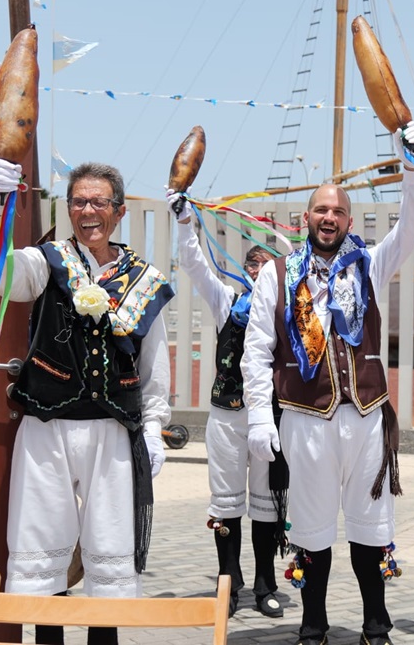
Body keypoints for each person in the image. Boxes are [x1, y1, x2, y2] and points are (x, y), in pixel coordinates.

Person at [241, 124, 414, 645]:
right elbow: (256, 350)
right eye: (321, 210)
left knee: (370, 528)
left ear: (349, 219)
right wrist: (259, 415)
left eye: (338, 211)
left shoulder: (368, 264)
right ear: (307, 218)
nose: (329, 218)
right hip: (305, 418)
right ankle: (313, 623)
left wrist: (409, 162)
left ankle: (375, 623)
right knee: (311, 527)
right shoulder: (276, 274)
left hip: (367, 417)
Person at [0, 160, 174, 645]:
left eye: (99, 202)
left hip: (112, 430)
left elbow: (152, 370)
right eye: (79, 202)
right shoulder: (47, 261)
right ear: (68, 209)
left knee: (109, 548)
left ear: (119, 211)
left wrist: (152, 429)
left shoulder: (144, 280)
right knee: (44, 546)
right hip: (47, 425)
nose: (88, 211)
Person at [166, 191, 285, 619]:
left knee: (267, 505)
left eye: (267, 266)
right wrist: (184, 224)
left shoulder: (289, 309)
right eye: (253, 264)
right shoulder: (227, 303)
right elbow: (195, 266)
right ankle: (228, 584)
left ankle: (265, 583)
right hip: (226, 415)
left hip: (271, 418)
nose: (258, 271)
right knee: (227, 504)